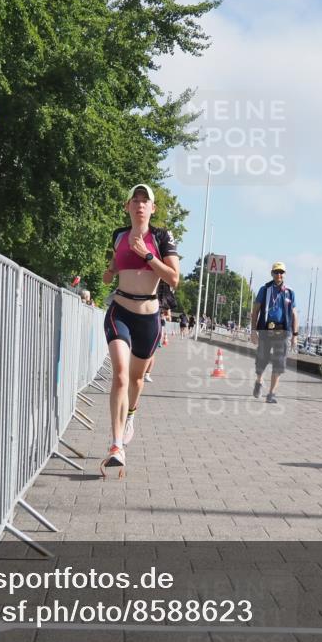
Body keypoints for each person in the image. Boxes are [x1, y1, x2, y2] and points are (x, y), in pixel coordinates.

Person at [100, 184, 180, 478]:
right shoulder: (119, 235)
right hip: (120, 310)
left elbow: (174, 278)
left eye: (145, 201)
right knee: (120, 374)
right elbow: (113, 266)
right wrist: (109, 273)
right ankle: (116, 445)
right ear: (127, 206)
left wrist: (147, 256)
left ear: (153, 209)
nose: (140, 205)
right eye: (135, 200)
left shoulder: (161, 237)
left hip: (148, 317)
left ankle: (131, 413)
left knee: (135, 380)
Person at [250, 262, 299, 404]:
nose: (279, 275)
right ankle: (259, 382)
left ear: (284, 274)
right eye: (276, 272)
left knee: (279, 363)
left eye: (281, 272)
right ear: (272, 273)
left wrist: (295, 335)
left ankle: (271, 393)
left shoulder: (289, 292)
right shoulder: (264, 290)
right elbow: (255, 311)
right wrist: (253, 330)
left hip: (282, 332)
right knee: (261, 360)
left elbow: (295, 314)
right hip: (266, 330)